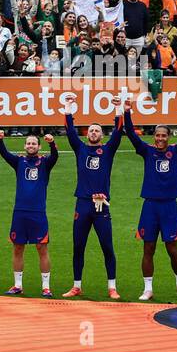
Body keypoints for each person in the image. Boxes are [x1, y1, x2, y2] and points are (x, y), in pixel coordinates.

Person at [122, 95, 177, 301]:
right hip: (149, 206)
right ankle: (148, 288)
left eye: (163, 136)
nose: (160, 139)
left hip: (169, 207)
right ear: (154, 137)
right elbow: (131, 134)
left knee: (172, 248)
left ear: (169, 137)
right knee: (148, 247)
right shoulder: (147, 151)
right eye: (157, 135)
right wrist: (127, 112)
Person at [62, 94, 123, 299]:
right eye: (91, 130)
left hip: (101, 206)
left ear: (102, 135)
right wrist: (68, 107)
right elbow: (70, 132)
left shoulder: (107, 150)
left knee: (107, 246)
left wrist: (117, 109)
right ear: (87, 134)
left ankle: (112, 287)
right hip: (83, 204)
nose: (94, 133)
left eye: (97, 130)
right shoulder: (80, 148)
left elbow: (119, 132)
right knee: (78, 246)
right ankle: (76, 285)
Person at [0, 131, 58, 297]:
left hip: (38, 212)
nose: (31, 146)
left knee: (42, 248)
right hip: (20, 212)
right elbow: (4, 154)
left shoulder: (45, 163)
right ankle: (17, 285)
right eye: (28, 143)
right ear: (25, 146)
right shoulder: (19, 161)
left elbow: (55, 156)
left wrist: (52, 143)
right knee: (17, 248)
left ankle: (46, 287)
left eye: (34, 143)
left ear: (39, 146)